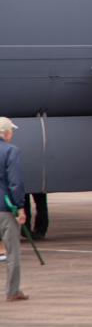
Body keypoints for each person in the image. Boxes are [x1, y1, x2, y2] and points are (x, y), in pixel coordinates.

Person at [0, 117, 29, 301]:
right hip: (4, 207)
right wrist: (20, 207)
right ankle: (12, 291)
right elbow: (16, 183)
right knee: (12, 251)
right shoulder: (11, 151)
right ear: (7, 132)